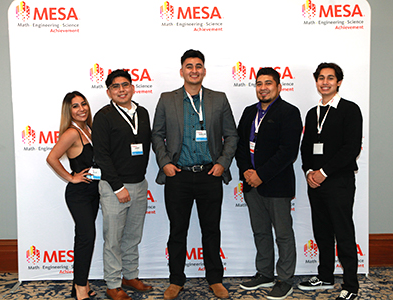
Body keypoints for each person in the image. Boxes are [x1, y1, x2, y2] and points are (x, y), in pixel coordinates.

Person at [152, 49, 238, 300]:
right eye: (189, 66)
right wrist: (165, 162)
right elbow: (157, 134)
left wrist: (222, 163)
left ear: (204, 70)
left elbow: (231, 135)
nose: (194, 70)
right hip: (177, 175)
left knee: (211, 229)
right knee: (178, 230)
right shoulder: (167, 99)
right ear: (182, 71)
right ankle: (176, 280)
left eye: (198, 66)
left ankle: (215, 278)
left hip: (209, 175)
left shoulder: (218, 99)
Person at [235, 68, 302, 300]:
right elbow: (240, 145)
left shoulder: (289, 112)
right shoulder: (248, 112)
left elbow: (288, 152)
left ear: (279, 86)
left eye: (268, 83)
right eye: (259, 83)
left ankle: (284, 279)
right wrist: (246, 172)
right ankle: (264, 273)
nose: (263, 87)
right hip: (251, 184)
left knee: (283, 234)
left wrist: (261, 175)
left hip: (277, 184)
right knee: (260, 232)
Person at [298, 63, 362, 300]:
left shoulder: (349, 109)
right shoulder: (312, 113)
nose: (325, 82)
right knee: (322, 231)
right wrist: (308, 173)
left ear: (339, 82)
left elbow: (351, 148)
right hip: (315, 182)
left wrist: (323, 172)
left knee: (343, 232)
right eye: (321, 78)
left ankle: (351, 286)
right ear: (316, 82)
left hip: (339, 181)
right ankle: (325, 275)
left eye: (330, 78)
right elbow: (305, 148)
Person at [92, 70, 152, 300]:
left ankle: (130, 276)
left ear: (133, 87)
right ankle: (113, 284)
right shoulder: (104, 116)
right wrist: (118, 187)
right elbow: (102, 155)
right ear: (108, 91)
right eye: (115, 86)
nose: (121, 90)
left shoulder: (143, 113)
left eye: (125, 85)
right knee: (114, 239)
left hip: (139, 183)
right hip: (113, 187)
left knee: (132, 236)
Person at [47, 91, 99, 300]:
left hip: (93, 191)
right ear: (69, 112)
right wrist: (71, 177)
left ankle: (82, 283)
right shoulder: (72, 132)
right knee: (86, 237)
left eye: (83, 104)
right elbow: (52, 158)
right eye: (75, 106)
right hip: (79, 194)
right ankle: (79, 289)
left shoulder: (88, 129)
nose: (81, 109)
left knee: (85, 238)